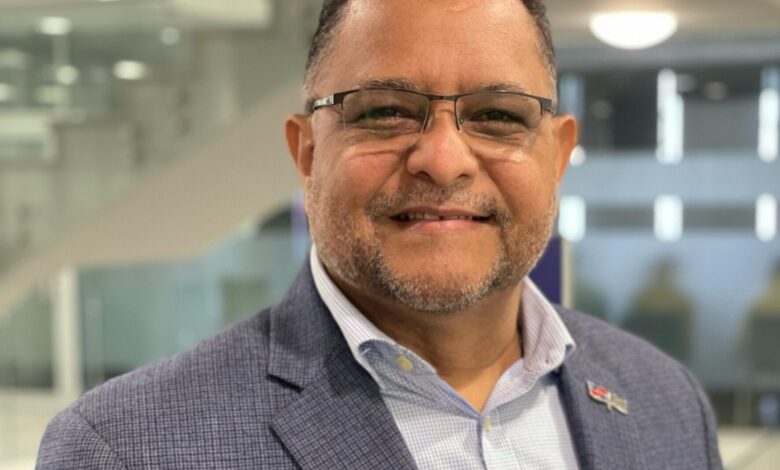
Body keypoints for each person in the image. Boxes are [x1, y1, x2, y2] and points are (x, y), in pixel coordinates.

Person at [37, 0, 723, 468]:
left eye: (497, 115)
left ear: (557, 155)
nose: (444, 160)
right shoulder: (124, 449)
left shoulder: (667, 403)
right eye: (386, 111)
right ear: (308, 154)